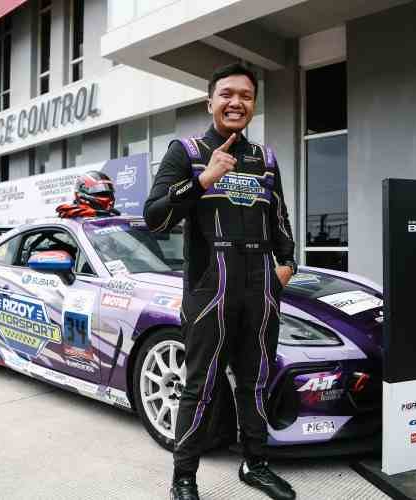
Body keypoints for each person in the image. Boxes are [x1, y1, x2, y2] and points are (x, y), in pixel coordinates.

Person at [144, 63, 297, 500]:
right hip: (211, 288)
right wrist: (202, 180)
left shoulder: (265, 158)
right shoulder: (186, 151)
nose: (236, 102)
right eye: (227, 94)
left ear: (254, 104)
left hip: (261, 286)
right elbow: (154, 217)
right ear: (209, 101)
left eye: (246, 96)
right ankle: (184, 479)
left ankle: (256, 465)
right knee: (200, 386)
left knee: (257, 379)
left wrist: (287, 263)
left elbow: (279, 217)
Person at [55, 171, 120, 218]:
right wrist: (96, 213)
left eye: (107, 193)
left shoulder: (111, 214)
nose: (107, 196)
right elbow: (64, 209)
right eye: (101, 193)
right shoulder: (70, 211)